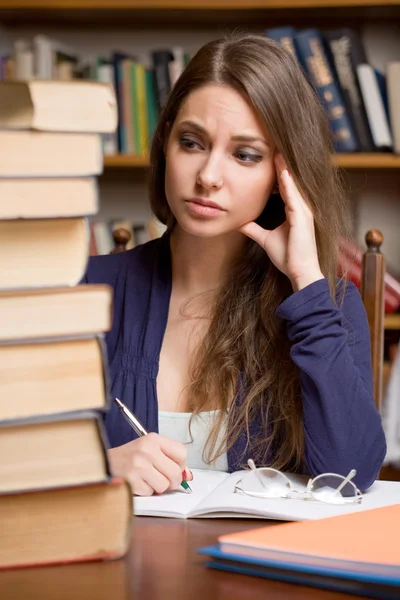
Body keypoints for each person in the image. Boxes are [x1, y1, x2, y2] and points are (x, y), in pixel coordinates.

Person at [84, 31, 386, 496]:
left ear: (282, 177)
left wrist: (305, 282)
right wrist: (96, 468)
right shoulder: (87, 292)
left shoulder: (328, 308)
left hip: (261, 566)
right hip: (121, 562)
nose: (208, 177)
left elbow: (350, 477)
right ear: (165, 146)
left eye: (245, 155)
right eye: (191, 142)